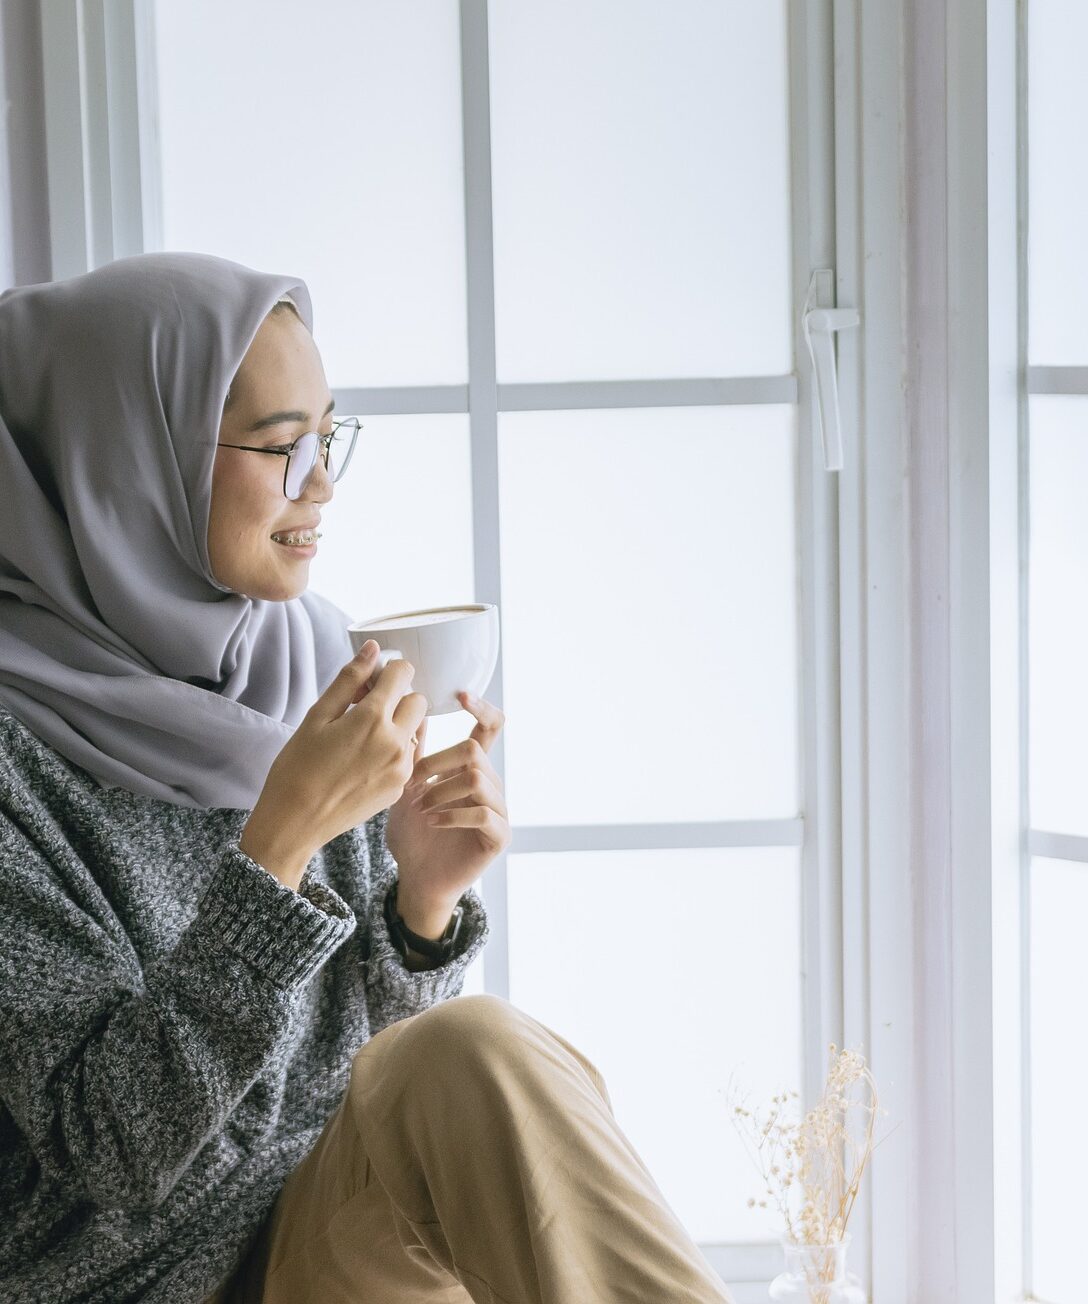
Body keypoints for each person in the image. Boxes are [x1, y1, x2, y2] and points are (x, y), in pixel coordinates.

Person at [0, 253, 736, 1303]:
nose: (322, 483)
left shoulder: (298, 662)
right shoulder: (15, 763)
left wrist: (418, 905)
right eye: (278, 442)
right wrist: (279, 841)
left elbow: (368, 1075)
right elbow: (112, 1152)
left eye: (328, 434)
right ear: (120, 460)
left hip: (319, 1237)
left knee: (471, 1046)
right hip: (133, 1281)